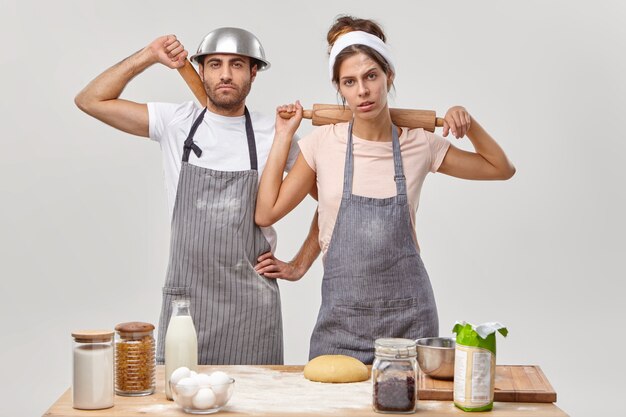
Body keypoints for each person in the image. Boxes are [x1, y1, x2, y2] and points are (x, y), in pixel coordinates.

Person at [255, 16, 516, 364]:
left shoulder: (421, 144)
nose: (362, 91)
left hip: (409, 322)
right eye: (349, 82)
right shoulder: (322, 144)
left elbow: (501, 169)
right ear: (340, 88)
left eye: (371, 77)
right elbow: (266, 211)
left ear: (388, 76)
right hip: (340, 323)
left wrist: (469, 124)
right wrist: (284, 135)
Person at [74, 28, 320, 365]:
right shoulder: (176, 122)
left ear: (253, 72)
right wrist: (148, 55)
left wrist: (300, 264)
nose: (225, 74)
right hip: (186, 307)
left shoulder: (275, 134)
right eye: (215, 64)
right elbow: (90, 100)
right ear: (200, 70)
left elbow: (333, 199)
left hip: (253, 310)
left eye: (237, 65)